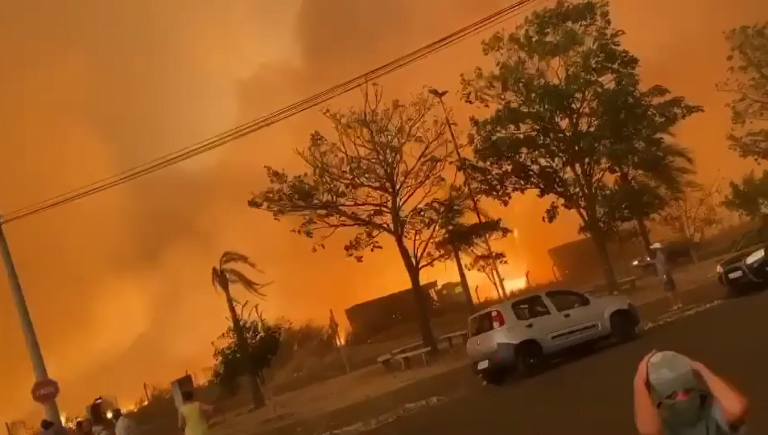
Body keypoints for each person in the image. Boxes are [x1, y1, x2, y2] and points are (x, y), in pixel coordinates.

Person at [633, 350, 748, 434]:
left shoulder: (710, 407)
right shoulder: (664, 419)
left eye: (687, 391)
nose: (682, 397)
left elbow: (736, 409)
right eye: (673, 395)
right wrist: (639, 380)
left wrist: (700, 368)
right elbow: (649, 430)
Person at [651, 243, 682, 310]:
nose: (653, 249)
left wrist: (664, 276)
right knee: (673, 289)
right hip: (668, 274)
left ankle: (675, 305)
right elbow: (660, 263)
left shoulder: (659, 256)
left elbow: (663, 266)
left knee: (669, 291)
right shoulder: (661, 255)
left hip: (665, 275)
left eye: (654, 248)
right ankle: (679, 303)